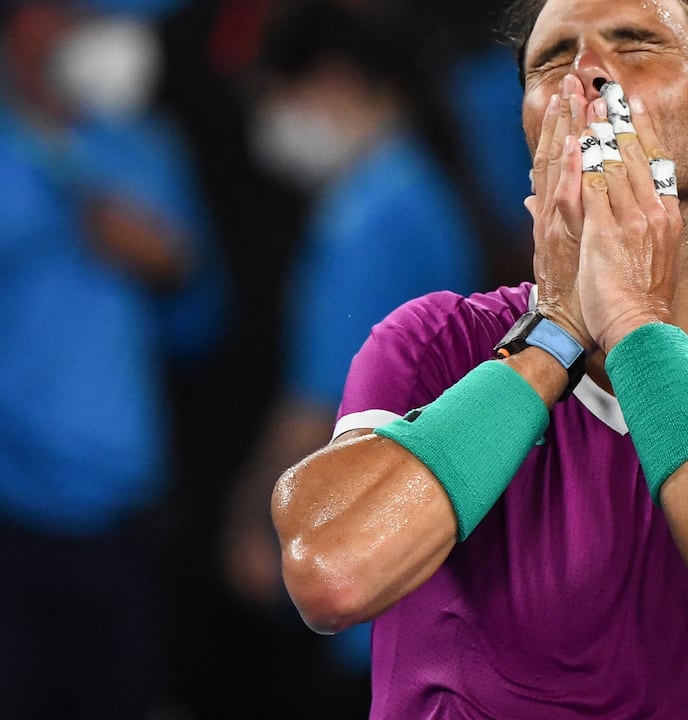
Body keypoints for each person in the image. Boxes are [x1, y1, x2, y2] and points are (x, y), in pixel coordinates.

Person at [271, 0, 688, 718]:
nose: (585, 75)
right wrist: (553, 332)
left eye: (636, 45)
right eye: (553, 60)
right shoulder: (434, 344)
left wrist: (635, 327)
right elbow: (332, 574)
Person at [220, 0, 482, 697]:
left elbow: (316, 407)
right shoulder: (420, 188)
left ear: (332, 82)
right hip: (422, 549)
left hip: (373, 564)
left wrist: (256, 522)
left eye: (278, 98)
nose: (271, 125)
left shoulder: (368, 218)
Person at [0, 0, 224, 715]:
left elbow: (202, 325)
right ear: (26, 24)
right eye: (81, 14)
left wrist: (171, 268)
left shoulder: (147, 151)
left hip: (126, 512)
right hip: (13, 505)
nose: (107, 36)